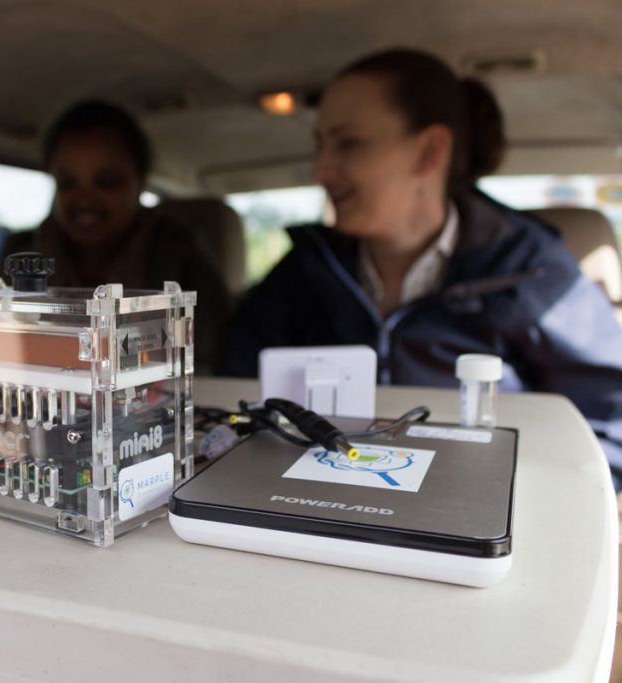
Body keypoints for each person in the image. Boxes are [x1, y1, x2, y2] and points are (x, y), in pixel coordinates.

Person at [223, 48, 622, 488]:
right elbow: (235, 396)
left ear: (430, 151)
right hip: (325, 498)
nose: (320, 170)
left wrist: (515, 490)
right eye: (320, 145)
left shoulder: (530, 270)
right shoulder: (303, 270)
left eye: (348, 142)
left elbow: (611, 425)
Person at [2, 100, 232, 373]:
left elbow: (208, 360)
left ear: (140, 182)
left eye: (107, 182)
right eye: (69, 183)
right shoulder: (21, 256)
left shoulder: (179, 255)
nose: (85, 200)